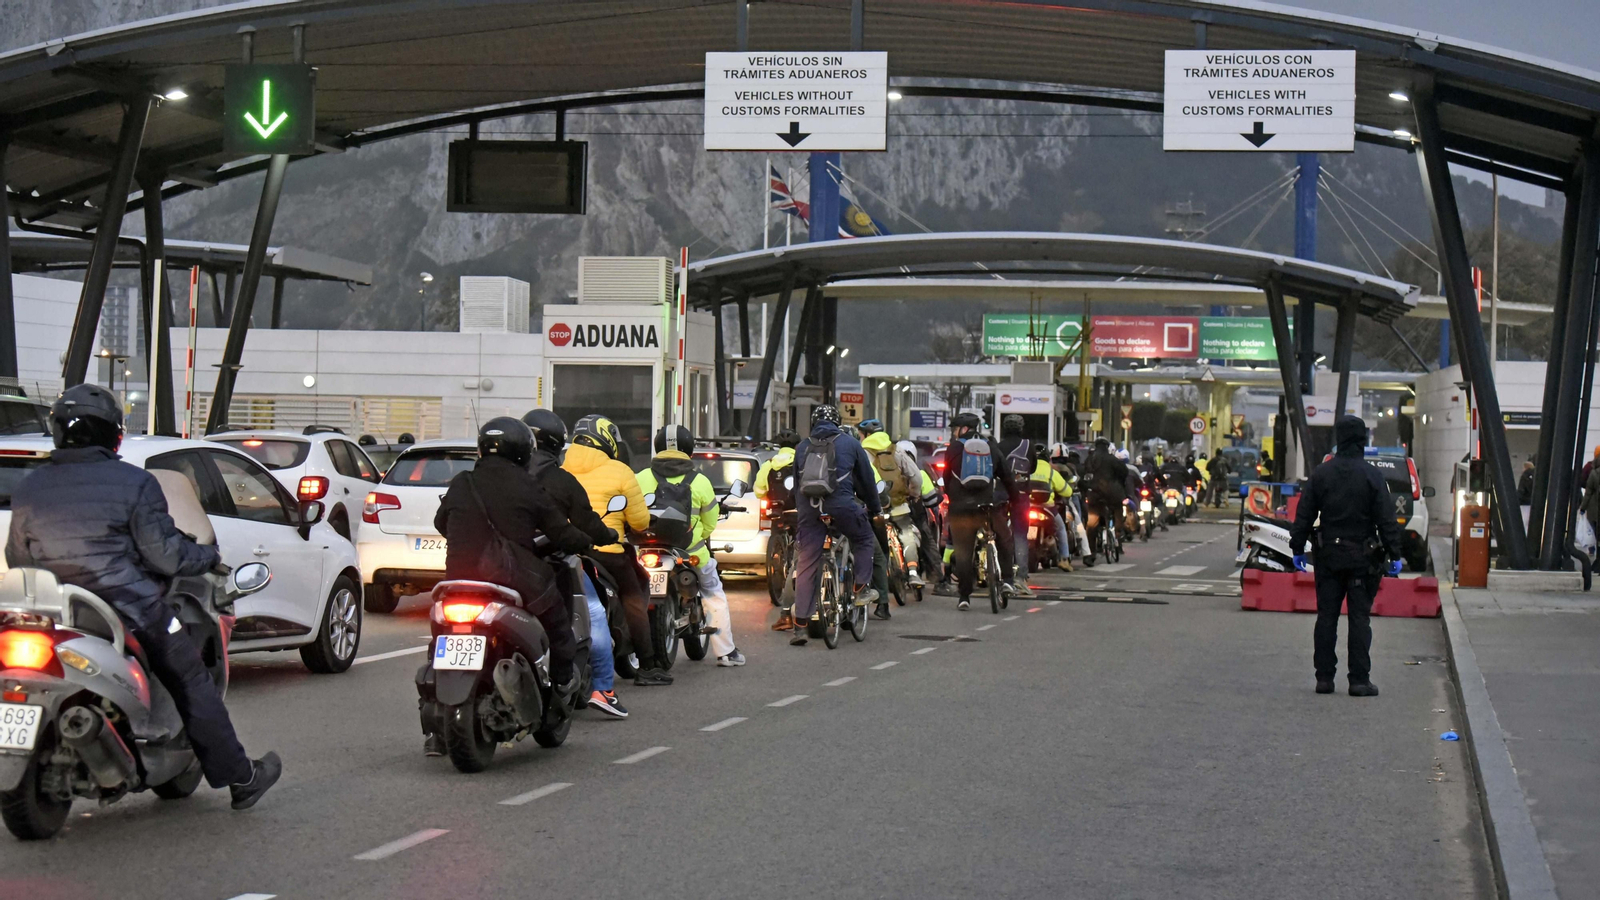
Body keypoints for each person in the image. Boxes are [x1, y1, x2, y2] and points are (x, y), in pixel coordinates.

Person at [4, 384, 282, 809]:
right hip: (128, 609)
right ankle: (240, 777)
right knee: (191, 678)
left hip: (55, 614)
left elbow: (17, 557)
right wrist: (208, 555)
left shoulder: (30, 487)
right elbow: (166, 555)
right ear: (113, 434)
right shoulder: (135, 483)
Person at [430, 417, 600, 753]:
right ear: (524, 452)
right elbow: (560, 531)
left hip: (459, 581)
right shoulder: (527, 485)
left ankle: (434, 732)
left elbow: (441, 522)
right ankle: (562, 682)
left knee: (440, 638)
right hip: (511, 578)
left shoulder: (463, 482)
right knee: (558, 624)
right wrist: (587, 541)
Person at [521, 410, 629, 715]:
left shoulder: (500, 480)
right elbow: (585, 522)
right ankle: (603, 689)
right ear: (557, 445)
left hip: (495, 564)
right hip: (549, 564)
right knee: (593, 612)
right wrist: (607, 535)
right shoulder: (561, 480)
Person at [1289, 415, 1404, 697]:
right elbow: (1386, 519)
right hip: (1362, 559)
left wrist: (1297, 547)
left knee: (1326, 617)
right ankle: (1359, 680)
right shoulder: (1371, 475)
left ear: (1338, 439)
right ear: (1362, 440)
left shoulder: (1321, 474)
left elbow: (1305, 513)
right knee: (1359, 619)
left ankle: (1324, 678)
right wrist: (1394, 553)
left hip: (1328, 555)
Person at [561, 413, 674, 692]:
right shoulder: (620, 471)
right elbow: (639, 521)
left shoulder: (561, 468)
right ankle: (647, 665)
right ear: (607, 438)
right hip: (608, 551)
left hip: (566, 551)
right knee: (634, 596)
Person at [636, 426, 745, 667]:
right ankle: (726, 653)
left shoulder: (641, 477)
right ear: (689, 450)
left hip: (645, 551)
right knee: (713, 592)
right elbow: (710, 523)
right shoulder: (700, 481)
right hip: (689, 552)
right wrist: (696, 539)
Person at [792, 405, 882, 641]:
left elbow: (797, 484)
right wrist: (874, 508)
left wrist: (803, 514)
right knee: (864, 538)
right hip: (842, 506)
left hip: (810, 510)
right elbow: (866, 480)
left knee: (806, 562)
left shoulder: (802, 447)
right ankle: (860, 589)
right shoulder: (850, 444)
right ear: (837, 422)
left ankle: (800, 625)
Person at [940, 412, 1020, 610]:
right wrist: (1015, 499)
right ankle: (1008, 580)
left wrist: (952, 498)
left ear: (964, 429)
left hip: (961, 509)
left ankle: (964, 597)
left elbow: (947, 477)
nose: (954, 433)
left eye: (956, 429)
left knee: (963, 552)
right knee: (1004, 538)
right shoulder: (990, 446)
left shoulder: (953, 448)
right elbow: (1006, 476)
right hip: (986, 506)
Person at [864, 430, 929, 589]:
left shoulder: (863, 452)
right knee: (907, 534)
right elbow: (916, 477)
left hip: (875, 506)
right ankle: (913, 572)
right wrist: (914, 494)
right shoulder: (896, 450)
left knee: (873, 541)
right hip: (899, 504)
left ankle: (874, 580)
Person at [756, 430, 802, 631]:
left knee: (777, 534)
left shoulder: (769, 464)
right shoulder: (800, 462)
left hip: (777, 511)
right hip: (796, 511)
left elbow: (759, 490)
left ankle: (777, 554)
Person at [994, 415, 1035, 596]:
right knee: (1020, 536)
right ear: (1021, 428)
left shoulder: (998, 446)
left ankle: (1001, 572)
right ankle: (1021, 578)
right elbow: (1033, 467)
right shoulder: (1028, 446)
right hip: (1021, 496)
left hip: (1002, 493)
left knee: (1001, 534)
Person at [1028, 448, 1074, 571]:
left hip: (1027, 506)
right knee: (1061, 528)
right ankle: (1064, 559)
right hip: (1047, 507)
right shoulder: (1051, 472)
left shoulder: (1026, 469)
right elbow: (1067, 491)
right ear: (1048, 458)